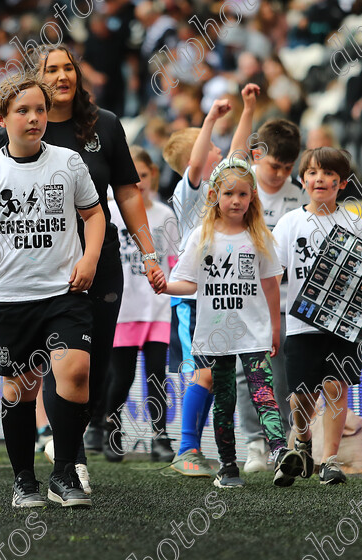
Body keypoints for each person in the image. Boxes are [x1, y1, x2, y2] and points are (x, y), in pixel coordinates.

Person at [0, 46, 165, 494]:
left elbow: (126, 193)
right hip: (41, 271)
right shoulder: (15, 130)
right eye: (52, 69)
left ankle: (68, 448)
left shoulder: (104, 124)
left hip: (99, 262)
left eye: (69, 67)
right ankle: (71, 463)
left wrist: (148, 253)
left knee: (92, 368)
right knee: (52, 366)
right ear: (38, 77)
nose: (62, 75)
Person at [0, 73, 105, 507]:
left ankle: (64, 474)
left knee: (76, 372)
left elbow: (94, 216)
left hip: (64, 293)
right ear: (1, 117)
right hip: (10, 299)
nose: (34, 117)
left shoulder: (69, 161)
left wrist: (91, 258)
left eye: (40, 109)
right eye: (23, 110)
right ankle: (24, 481)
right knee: (20, 388)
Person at [165, 157, 304, 488]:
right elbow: (187, 283)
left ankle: (280, 451)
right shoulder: (201, 235)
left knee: (263, 392)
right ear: (214, 195)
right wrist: (162, 285)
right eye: (229, 194)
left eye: (243, 194)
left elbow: (272, 285)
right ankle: (228, 466)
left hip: (254, 334)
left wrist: (273, 327)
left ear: (252, 197)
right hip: (216, 336)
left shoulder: (260, 237)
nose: (236, 200)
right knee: (224, 399)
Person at [162, 84, 260, 477]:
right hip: (191, 299)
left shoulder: (223, 191)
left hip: (219, 297)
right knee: (203, 373)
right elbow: (201, 160)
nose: (221, 153)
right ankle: (186, 449)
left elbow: (238, 155)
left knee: (215, 375)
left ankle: (195, 449)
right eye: (212, 150)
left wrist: (248, 109)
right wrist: (209, 120)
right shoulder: (190, 195)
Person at [272, 146, 362, 485]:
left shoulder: (354, 222)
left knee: (336, 388)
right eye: (313, 172)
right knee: (302, 394)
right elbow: (274, 274)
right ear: (303, 179)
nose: (320, 178)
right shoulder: (290, 223)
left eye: (329, 173)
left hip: (342, 326)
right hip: (302, 325)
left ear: (342, 182)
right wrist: (270, 324)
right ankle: (303, 441)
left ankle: (329, 460)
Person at [102, 146, 178, 463]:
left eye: (143, 175)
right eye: (132, 176)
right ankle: (111, 429)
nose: (138, 182)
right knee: (122, 376)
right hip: (124, 308)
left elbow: (174, 262)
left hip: (157, 307)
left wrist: (173, 294)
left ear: (153, 176)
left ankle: (159, 436)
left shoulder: (165, 215)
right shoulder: (110, 214)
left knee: (156, 375)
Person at [237, 118, 301, 473]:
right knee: (248, 373)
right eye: (275, 166)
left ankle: (285, 442)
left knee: (284, 372)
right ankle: (254, 444)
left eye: (288, 168)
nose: (280, 174)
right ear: (257, 154)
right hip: (247, 298)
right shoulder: (240, 186)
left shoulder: (299, 195)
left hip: (288, 300)